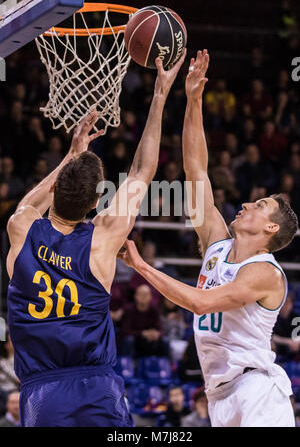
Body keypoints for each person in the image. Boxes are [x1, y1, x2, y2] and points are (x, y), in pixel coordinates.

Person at [118, 50, 298, 427]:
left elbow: (201, 303)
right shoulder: (217, 243)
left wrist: (139, 266)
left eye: (260, 205)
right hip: (219, 394)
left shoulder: (264, 272)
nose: (247, 203)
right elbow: (196, 167)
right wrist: (194, 99)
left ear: (271, 229)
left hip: (257, 394)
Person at [6, 53, 185, 427]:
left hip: (41, 393)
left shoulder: (21, 227)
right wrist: (160, 92)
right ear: (94, 204)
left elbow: (28, 204)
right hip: (96, 385)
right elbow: (142, 171)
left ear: (53, 189)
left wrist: (73, 153)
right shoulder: (102, 238)